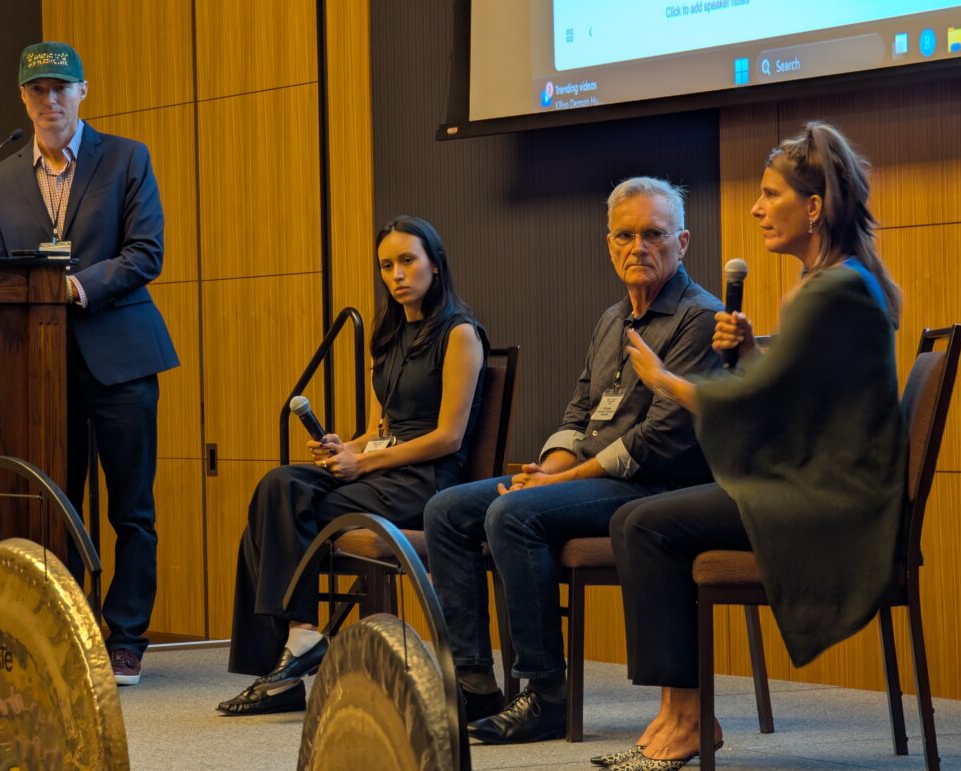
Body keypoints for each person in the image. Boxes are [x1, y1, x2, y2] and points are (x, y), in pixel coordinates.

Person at [600, 123, 905, 770]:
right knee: (635, 519)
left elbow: (762, 407)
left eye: (770, 194)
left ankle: (687, 718)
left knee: (645, 524)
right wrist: (747, 351)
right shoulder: (836, 281)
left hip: (829, 505)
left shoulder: (833, 290)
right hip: (817, 485)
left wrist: (666, 380)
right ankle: (677, 711)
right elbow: (796, 398)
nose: (756, 208)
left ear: (813, 207)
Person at [424, 177, 723, 744]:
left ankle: (547, 696)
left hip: (659, 489)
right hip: (589, 479)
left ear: (682, 242)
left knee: (514, 514)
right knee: (446, 510)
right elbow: (581, 409)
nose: (639, 247)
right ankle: (473, 683)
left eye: (654, 234)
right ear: (608, 243)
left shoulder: (700, 318)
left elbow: (661, 440)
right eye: (625, 235)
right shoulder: (612, 319)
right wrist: (550, 469)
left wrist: (556, 483)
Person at [217, 215, 489, 715]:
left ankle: (286, 662)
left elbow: (448, 438)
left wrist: (364, 464)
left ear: (435, 264)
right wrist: (348, 448)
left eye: (407, 261)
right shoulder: (389, 335)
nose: (396, 275)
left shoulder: (460, 334)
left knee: (283, 515)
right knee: (277, 487)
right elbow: (377, 428)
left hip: (425, 479)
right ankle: (299, 637)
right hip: (383, 467)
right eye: (386, 266)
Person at [0, 42, 179, 687]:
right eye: (38, 90)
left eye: (61, 88)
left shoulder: (127, 158)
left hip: (123, 360)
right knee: (55, 507)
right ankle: (68, 629)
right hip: (41, 370)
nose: (50, 100)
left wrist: (73, 287)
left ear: (83, 91)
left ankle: (127, 638)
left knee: (132, 510)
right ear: (23, 98)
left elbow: (146, 252)